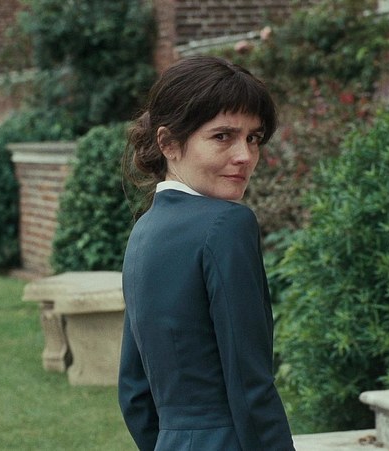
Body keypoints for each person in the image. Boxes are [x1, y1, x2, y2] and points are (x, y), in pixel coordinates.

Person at [118, 55, 295, 450]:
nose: (244, 155)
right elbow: (250, 385)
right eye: (222, 137)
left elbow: (134, 392)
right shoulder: (227, 224)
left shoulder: (143, 232)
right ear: (168, 143)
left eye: (253, 138)